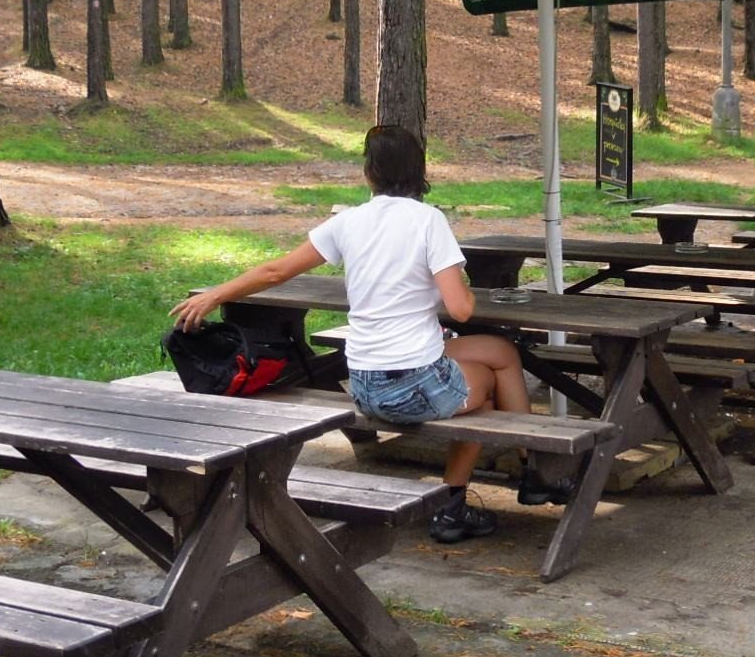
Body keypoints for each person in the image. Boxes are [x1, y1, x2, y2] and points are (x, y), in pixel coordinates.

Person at [169, 125, 567, 544]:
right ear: (418, 171)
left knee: (502, 352)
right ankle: (452, 506)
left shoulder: (348, 222)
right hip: (412, 387)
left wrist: (216, 294)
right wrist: (453, 274)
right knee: (486, 399)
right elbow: (461, 308)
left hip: (362, 382)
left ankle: (534, 469)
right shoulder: (429, 221)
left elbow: (276, 271)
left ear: (369, 172)